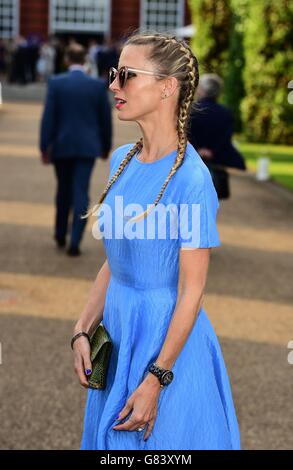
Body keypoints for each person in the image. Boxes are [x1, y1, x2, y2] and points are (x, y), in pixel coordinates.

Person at [72, 32, 241, 449]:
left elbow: (192, 290)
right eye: (114, 73)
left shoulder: (192, 179)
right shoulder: (121, 160)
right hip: (120, 327)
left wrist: (157, 378)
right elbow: (116, 261)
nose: (113, 85)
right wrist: (81, 329)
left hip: (167, 344)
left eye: (126, 75)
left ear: (168, 87)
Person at [40, 43, 112, 256]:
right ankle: (75, 240)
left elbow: (48, 118)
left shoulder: (56, 83)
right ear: (85, 60)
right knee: (81, 191)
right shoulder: (97, 86)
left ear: (66, 60)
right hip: (88, 146)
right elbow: (105, 120)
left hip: (62, 145)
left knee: (63, 189)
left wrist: (45, 146)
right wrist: (106, 145)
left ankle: (60, 233)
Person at [188, 73, 246, 171]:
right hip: (221, 158)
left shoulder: (190, 111)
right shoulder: (226, 113)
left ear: (201, 90)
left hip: (191, 157)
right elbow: (226, 138)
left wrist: (199, 150)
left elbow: (185, 134)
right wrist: (212, 152)